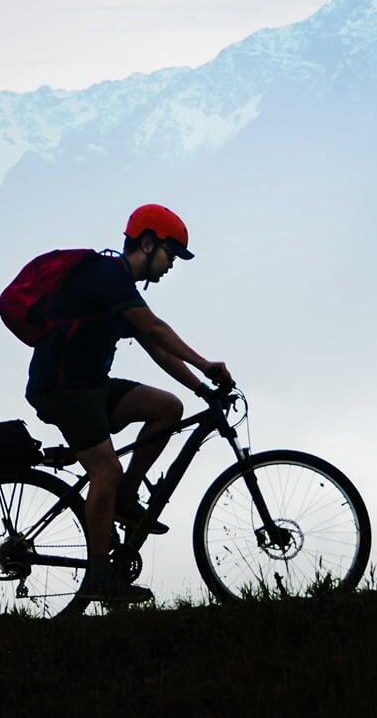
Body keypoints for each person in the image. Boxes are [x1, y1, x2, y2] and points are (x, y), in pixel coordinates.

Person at [24, 203, 235, 605]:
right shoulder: (107, 275)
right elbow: (155, 327)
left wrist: (199, 390)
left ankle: (123, 496)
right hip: (63, 389)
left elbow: (154, 345)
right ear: (148, 241)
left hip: (90, 387)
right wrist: (206, 364)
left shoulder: (121, 289)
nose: (171, 264)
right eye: (170, 253)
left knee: (167, 409)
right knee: (105, 468)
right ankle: (99, 577)